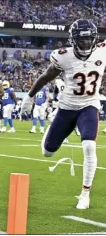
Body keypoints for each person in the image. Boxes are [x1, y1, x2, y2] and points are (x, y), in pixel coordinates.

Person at [20, 19, 106, 209]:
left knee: (89, 146)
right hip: (67, 108)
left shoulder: (102, 50)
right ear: (73, 39)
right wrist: (29, 97)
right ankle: (52, 131)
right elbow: (46, 76)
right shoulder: (63, 56)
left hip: (89, 106)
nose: (86, 43)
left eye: (89, 39)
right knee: (48, 152)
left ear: (95, 39)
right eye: (81, 40)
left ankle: (85, 193)